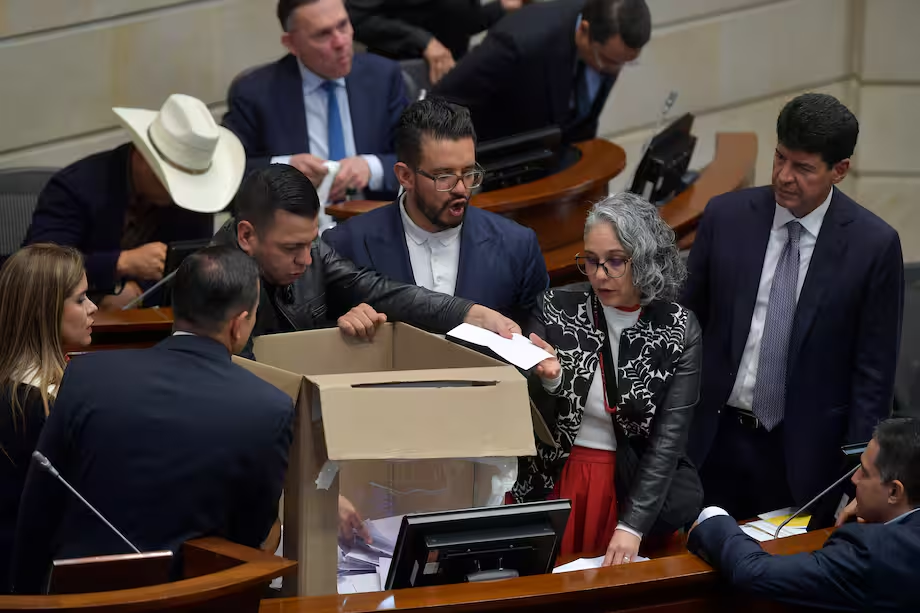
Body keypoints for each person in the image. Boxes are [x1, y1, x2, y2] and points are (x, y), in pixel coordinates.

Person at [10, 246, 293, 594]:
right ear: (238, 324)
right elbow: (250, 537)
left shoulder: (88, 376)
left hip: (81, 598)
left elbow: (38, 514)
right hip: (197, 596)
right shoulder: (270, 407)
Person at [682, 93, 904, 521]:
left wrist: (858, 477)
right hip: (712, 438)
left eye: (802, 168)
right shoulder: (725, 217)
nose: (784, 176)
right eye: (780, 158)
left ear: (839, 170)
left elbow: (873, 377)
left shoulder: (872, 247)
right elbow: (685, 324)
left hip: (805, 456)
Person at [510, 193, 702, 566]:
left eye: (615, 262)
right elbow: (524, 417)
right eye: (592, 261)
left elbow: (668, 440)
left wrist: (632, 525)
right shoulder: (555, 308)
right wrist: (547, 381)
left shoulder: (678, 327)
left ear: (645, 260)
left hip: (630, 486)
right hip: (558, 480)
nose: (599, 275)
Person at [212, 164, 519, 356]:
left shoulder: (312, 252)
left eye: (311, 242)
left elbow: (379, 291)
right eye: (291, 247)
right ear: (247, 236)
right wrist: (335, 336)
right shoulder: (212, 287)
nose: (306, 260)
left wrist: (471, 313)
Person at [324, 97, 548, 324]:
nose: (461, 189)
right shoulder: (346, 244)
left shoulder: (517, 245)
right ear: (405, 176)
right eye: (444, 176)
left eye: (469, 172)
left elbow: (537, 339)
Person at [24, 94, 244, 310]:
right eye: (172, 180)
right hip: (66, 316)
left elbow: (189, 266)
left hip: (157, 321)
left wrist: (139, 292)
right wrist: (121, 263)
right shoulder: (76, 186)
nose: (178, 195)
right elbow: (39, 267)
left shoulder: (193, 202)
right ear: (141, 157)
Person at [688, 417, 920, 612]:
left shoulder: (874, 552)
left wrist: (714, 518)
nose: (854, 479)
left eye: (865, 473)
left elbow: (754, 572)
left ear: (894, 491)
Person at [223, 0, 408, 229]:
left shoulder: (383, 77)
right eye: (323, 35)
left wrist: (371, 167)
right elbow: (226, 178)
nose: (340, 42)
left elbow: (418, 160)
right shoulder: (255, 93)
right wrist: (282, 171)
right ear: (292, 44)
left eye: (343, 26)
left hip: (374, 232)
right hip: (295, 241)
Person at [0, 244, 97, 590]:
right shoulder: (35, 407)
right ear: (46, 311)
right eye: (81, 299)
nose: (93, 308)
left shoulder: (27, 388)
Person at [431, 0, 650, 143]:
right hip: (500, 166)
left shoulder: (610, 41)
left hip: (559, 160)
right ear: (584, 31)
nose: (614, 71)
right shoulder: (519, 43)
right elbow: (443, 101)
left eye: (625, 63)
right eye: (608, 61)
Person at [347, 0, 523, 84]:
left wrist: (501, 8)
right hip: (403, 78)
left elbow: (461, 19)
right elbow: (356, 18)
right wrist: (423, 41)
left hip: (450, 75)